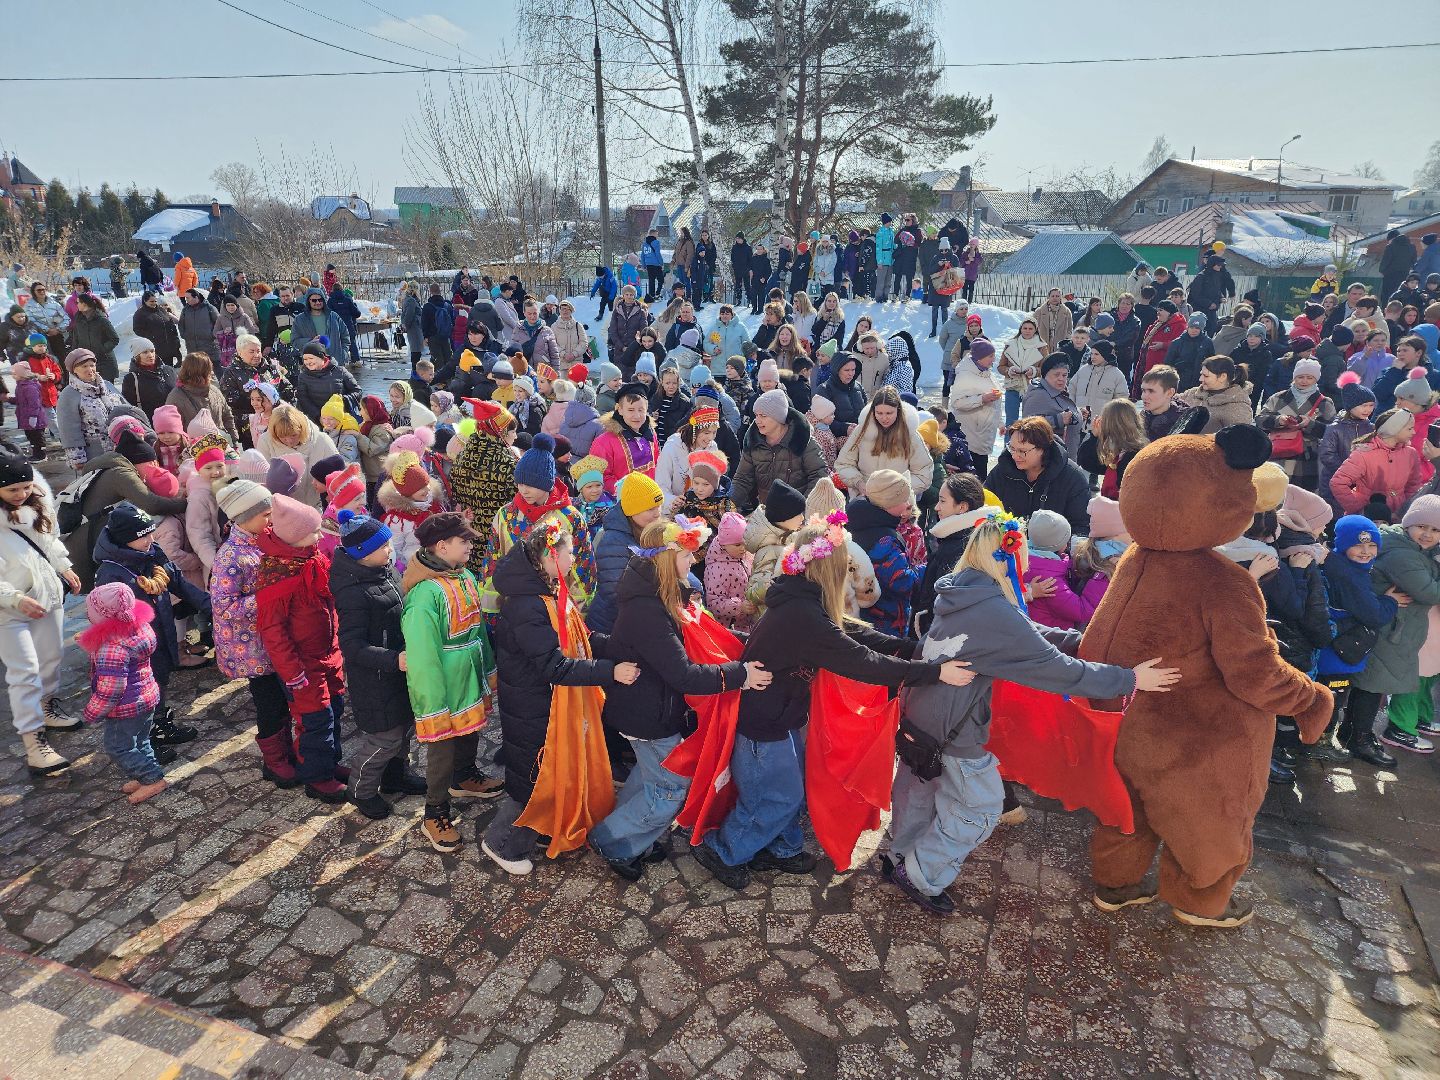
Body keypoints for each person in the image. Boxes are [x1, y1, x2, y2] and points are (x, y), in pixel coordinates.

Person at [887, 515, 1174, 914]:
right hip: (953, 730)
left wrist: (1084, 642)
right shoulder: (993, 610)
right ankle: (920, 874)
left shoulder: (965, 591)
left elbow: (1027, 633)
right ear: (1008, 556)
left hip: (923, 714)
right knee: (980, 807)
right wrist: (1129, 679)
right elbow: (1057, 669)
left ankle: (898, 855)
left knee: (919, 792)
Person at [691, 520, 975, 889]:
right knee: (776, 796)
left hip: (779, 715)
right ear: (830, 569)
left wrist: (913, 650)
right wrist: (934, 672)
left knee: (789, 789)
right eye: (845, 564)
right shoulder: (803, 614)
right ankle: (723, 850)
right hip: (764, 722)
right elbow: (862, 661)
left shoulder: (800, 598)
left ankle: (780, 847)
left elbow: (853, 634)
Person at [588, 518, 769, 880]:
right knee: (669, 788)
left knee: (648, 778)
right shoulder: (648, 610)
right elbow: (683, 674)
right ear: (666, 560)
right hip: (648, 714)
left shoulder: (658, 596)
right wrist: (740, 675)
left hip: (648, 707)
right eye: (686, 556)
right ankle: (612, 841)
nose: (693, 561)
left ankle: (634, 836)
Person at [484, 526, 639, 876]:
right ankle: (502, 843)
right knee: (535, 778)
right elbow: (553, 665)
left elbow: (579, 639)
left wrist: (618, 646)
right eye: (568, 553)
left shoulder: (548, 592)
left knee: (549, 772)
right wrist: (610, 671)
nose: (573, 559)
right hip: (533, 705)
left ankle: (541, 828)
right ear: (548, 557)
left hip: (547, 702)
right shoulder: (527, 605)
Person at [254, 494, 349, 804]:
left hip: (327, 654)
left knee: (334, 711)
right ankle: (317, 777)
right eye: (314, 531)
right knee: (315, 721)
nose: (320, 536)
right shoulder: (279, 577)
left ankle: (329, 763)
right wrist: (292, 672)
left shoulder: (310, 558)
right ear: (294, 537)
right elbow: (274, 632)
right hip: (303, 666)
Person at [0, 457, 83, 777]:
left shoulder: (36, 506)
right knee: (24, 672)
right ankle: (34, 744)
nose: (21, 494)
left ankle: (47, 707)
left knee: (51, 658)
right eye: (12, 490)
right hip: (9, 611)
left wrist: (64, 566)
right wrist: (15, 598)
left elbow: (49, 541)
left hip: (46, 597)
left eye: (26, 486)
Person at [1343, 496, 1440, 757]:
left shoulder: (1412, 548)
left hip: (1393, 627)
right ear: (1408, 524)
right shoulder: (1402, 555)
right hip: (1388, 629)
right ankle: (1360, 740)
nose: (1427, 534)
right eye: (1422, 526)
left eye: (1435, 530)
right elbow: (1430, 592)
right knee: (1372, 685)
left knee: (1371, 684)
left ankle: (1352, 734)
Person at [1315, 516, 1399, 767]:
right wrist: (1390, 601)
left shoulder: (1340, 565)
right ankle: (1320, 742)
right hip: (1338, 653)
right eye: (1358, 545)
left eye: (1372, 545)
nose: (1366, 551)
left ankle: (1317, 738)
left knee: (1328, 695)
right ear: (1342, 545)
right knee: (1333, 697)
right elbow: (1373, 615)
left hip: (1332, 647)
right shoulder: (1349, 575)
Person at [77, 583, 169, 805]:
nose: (87, 613)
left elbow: (112, 688)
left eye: (90, 610)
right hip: (147, 697)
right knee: (141, 740)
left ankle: (152, 778)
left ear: (103, 615)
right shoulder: (139, 628)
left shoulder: (111, 646)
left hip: (125, 708)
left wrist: (93, 711)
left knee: (118, 747)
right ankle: (148, 774)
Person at [585, 473, 665, 635]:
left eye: (659, 506)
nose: (657, 513)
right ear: (632, 511)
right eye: (650, 509)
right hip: (611, 628)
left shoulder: (652, 531)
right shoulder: (614, 541)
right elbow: (616, 591)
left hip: (639, 619)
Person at [985, 416, 1090, 535]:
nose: (1014, 456)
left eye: (1022, 451)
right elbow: (983, 509)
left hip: (1055, 545)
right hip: (1006, 543)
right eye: (1012, 448)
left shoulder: (1072, 477)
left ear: (1042, 449)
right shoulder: (1002, 470)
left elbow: (1082, 526)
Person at [731, 388, 826, 514]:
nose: (757, 420)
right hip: (766, 512)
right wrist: (729, 504)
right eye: (756, 415)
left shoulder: (803, 440)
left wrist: (802, 510)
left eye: (763, 416)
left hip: (799, 514)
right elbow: (743, 479)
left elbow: (819, 477)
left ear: (778, 417)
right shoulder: (753, 442)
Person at [1329, 408, 1426, 518]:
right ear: (1394, 429)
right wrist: (1358, 509)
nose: (1414, 432)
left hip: (1397, 518)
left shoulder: (1411, 453)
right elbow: (1338, 482)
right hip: (1368, 518)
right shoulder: (1363, 454)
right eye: (1409, 429)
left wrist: (1404, 510)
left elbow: (1414, 485)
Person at [836, 386, 931, 497]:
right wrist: (858, 483)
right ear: (873, 411)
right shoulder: (861, 431)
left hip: (897, 500)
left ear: (898, 411)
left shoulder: (911, 435)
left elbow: (923, 474)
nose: (884, 418)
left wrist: (898, 490)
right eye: (879, 413)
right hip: (864, 496)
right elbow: (844, 463)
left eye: (889, 413)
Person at [1258, 358, 1336, 491]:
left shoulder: (1325, 402)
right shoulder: (1278, 398)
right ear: (1294, 377)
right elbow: (1259, 420)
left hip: (1307, 457)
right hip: (1278, 453)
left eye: (1309, 378)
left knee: (1302, 495)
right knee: (1275, 493)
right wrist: (1278, 420)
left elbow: (1330, 432)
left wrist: (1310, 424)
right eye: (1300, 377)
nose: (1304, 381)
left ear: (1316, 379)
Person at [56, 347, 137, 470]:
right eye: (84, 366)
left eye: (92, 365)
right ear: (74, 370)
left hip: (121, 448)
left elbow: (127, 410)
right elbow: (68, 429)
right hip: (94, 454)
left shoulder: (107, 386)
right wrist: (77, 458)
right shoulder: (69, 394)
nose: (90, 369)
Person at [590, 381, 661, 496]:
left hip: (650, 497)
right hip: (622, 501)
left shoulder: (650, 434)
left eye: (641, 410)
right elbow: (600, 477)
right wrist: (630, 492)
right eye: (631, 410)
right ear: (620, 410)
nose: (637, 416)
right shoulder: (604, 442)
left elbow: (657, 464)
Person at [164, 352, 242, 446]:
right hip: (193, 449)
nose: (212, 372)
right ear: (200, 373)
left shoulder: (214, 391)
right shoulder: (176, 397)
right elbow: (172, 428)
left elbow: (227, 416)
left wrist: (234, 441)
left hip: (221, 446)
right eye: (209, 369)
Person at [1178, 356, 1254, 433]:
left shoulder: (1238, 407)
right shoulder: (1192, 393)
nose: (1200, 379)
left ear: (1222, 377)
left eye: (1206, 376)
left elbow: (1240, 436)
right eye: (1201, 374)